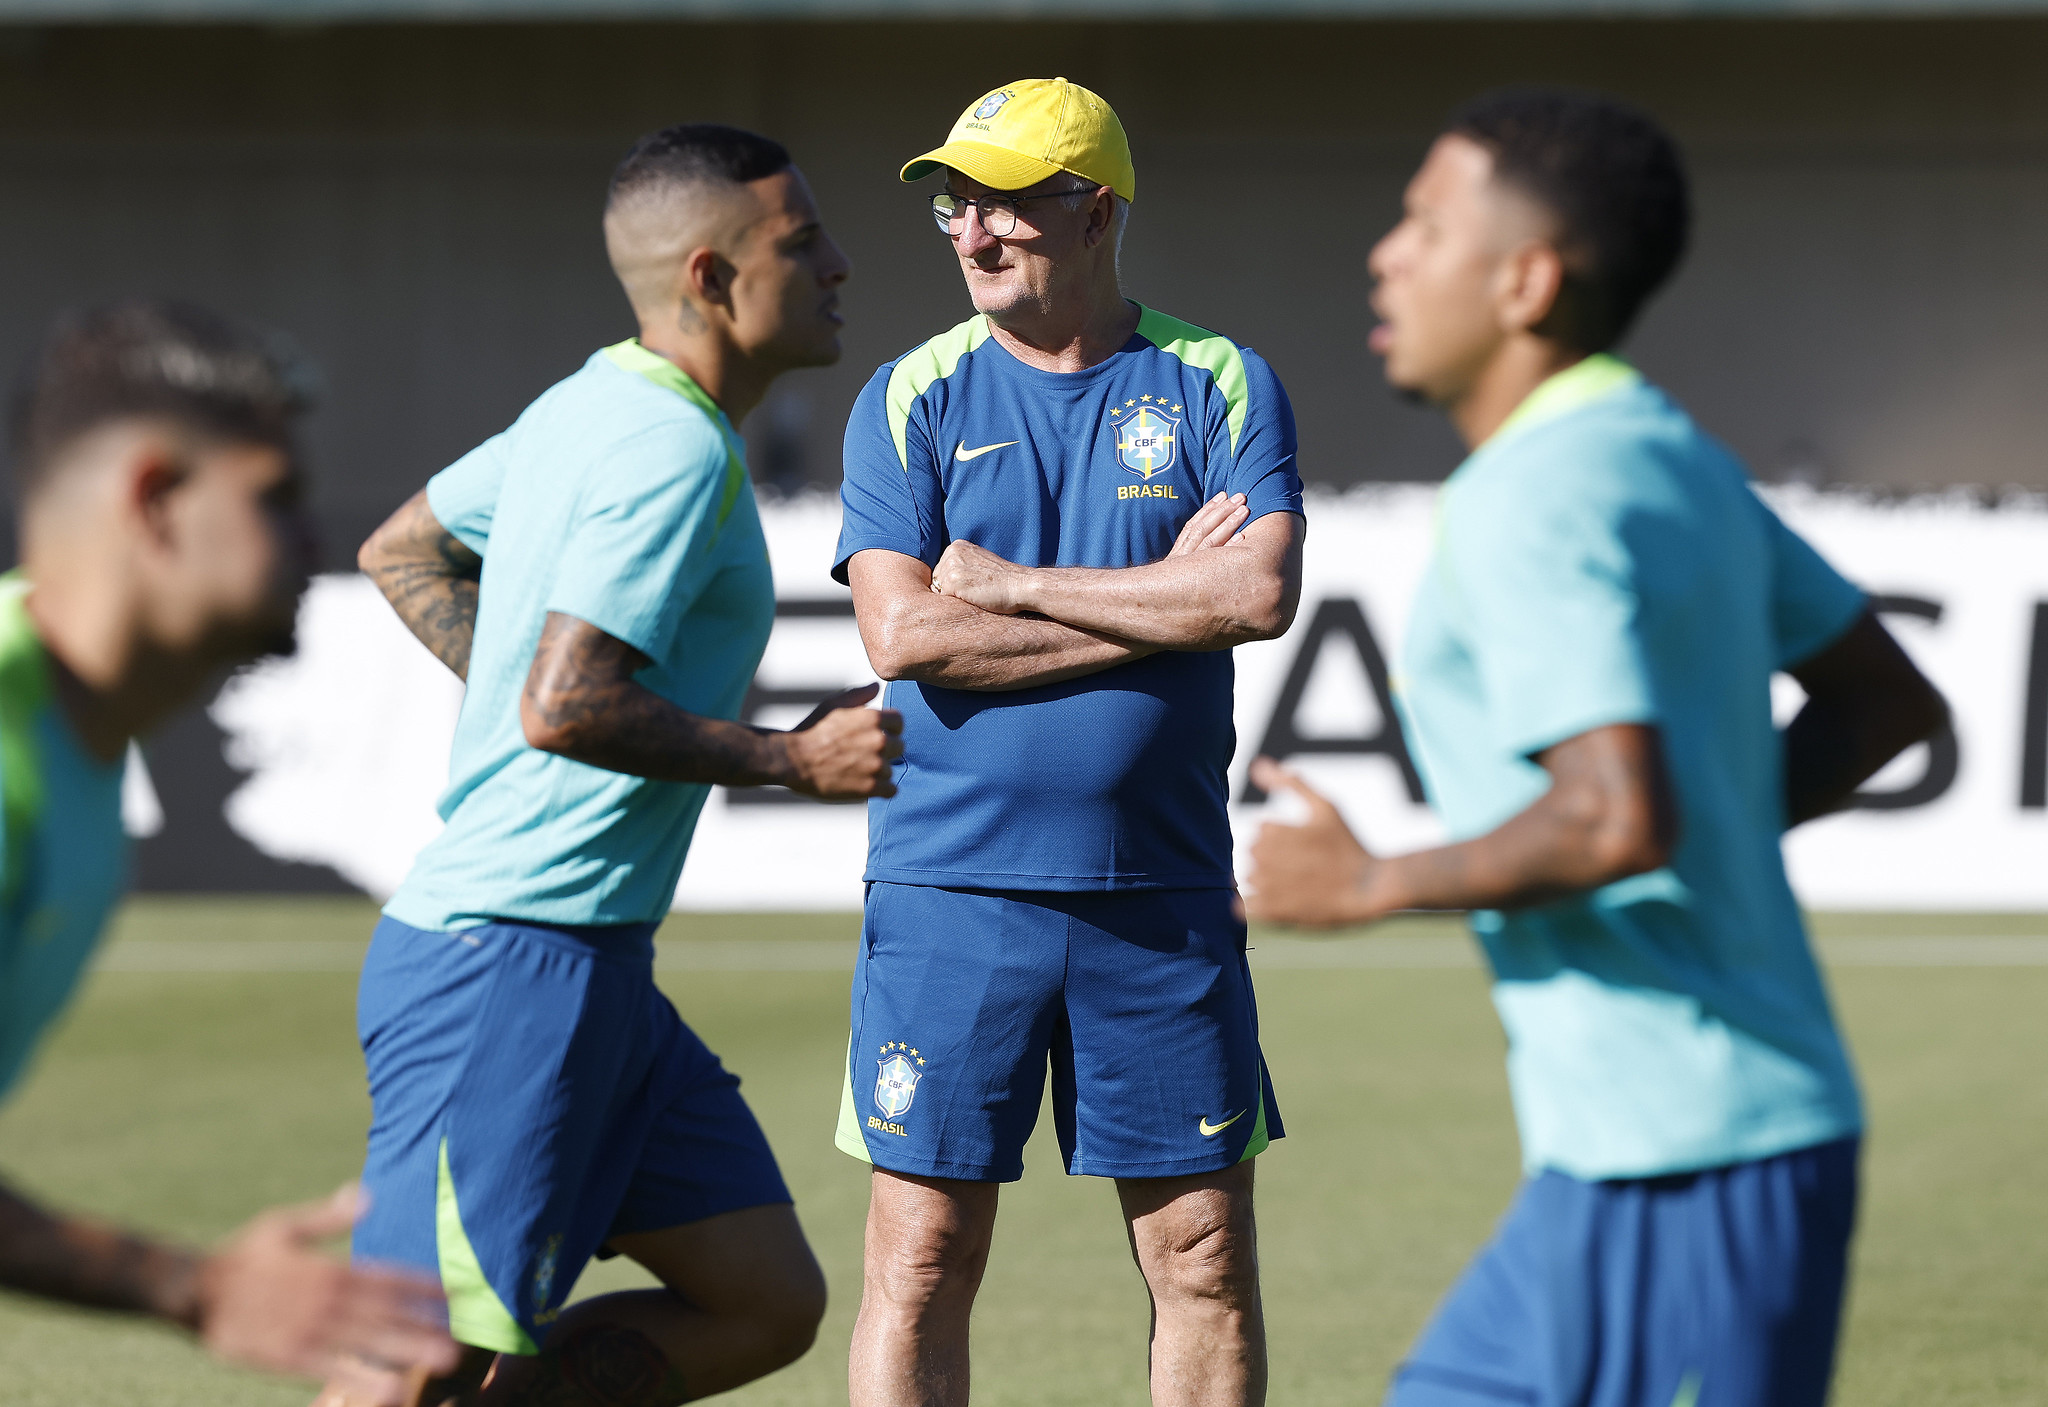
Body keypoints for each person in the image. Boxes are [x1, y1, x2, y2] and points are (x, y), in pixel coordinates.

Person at [1243, 89, 1949, 1407]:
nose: (1384, 255)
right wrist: (1720, 817)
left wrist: (1370, 880)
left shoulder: (1532, 489)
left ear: (1525, 282)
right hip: (1637, 1154)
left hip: (1688, 1155)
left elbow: (1612, 816)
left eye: (1424, 225)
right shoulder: (1665, 450)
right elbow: (1888, 704)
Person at [331, 124, 899, 1407]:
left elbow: (401, 551)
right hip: (507, 963)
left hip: (595, 969)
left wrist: (520, 694)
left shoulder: (590, 405)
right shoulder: (666, 447)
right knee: (411, 1360)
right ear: (712, 277)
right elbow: (565, 702)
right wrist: (790, 761)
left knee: (760, 1299)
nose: (838, 265)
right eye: (803, 242)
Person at [835, 78, 1305, 1407]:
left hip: (1158, 894)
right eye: (954, 203)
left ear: (1095, 211)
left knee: (1202, 1255)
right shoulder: (908, 392)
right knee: (921, 1255)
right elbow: (904, 635)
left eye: (1004, 202)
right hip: (950, 890)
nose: (972, 231)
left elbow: (1256, 593)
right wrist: (1162, 608)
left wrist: (1012, 586)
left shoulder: (1219, 380)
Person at [0, 299, 460, 1404]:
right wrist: (193, 1285)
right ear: (156, 500)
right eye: (275, 498)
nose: (315, 543)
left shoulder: (72, 738)